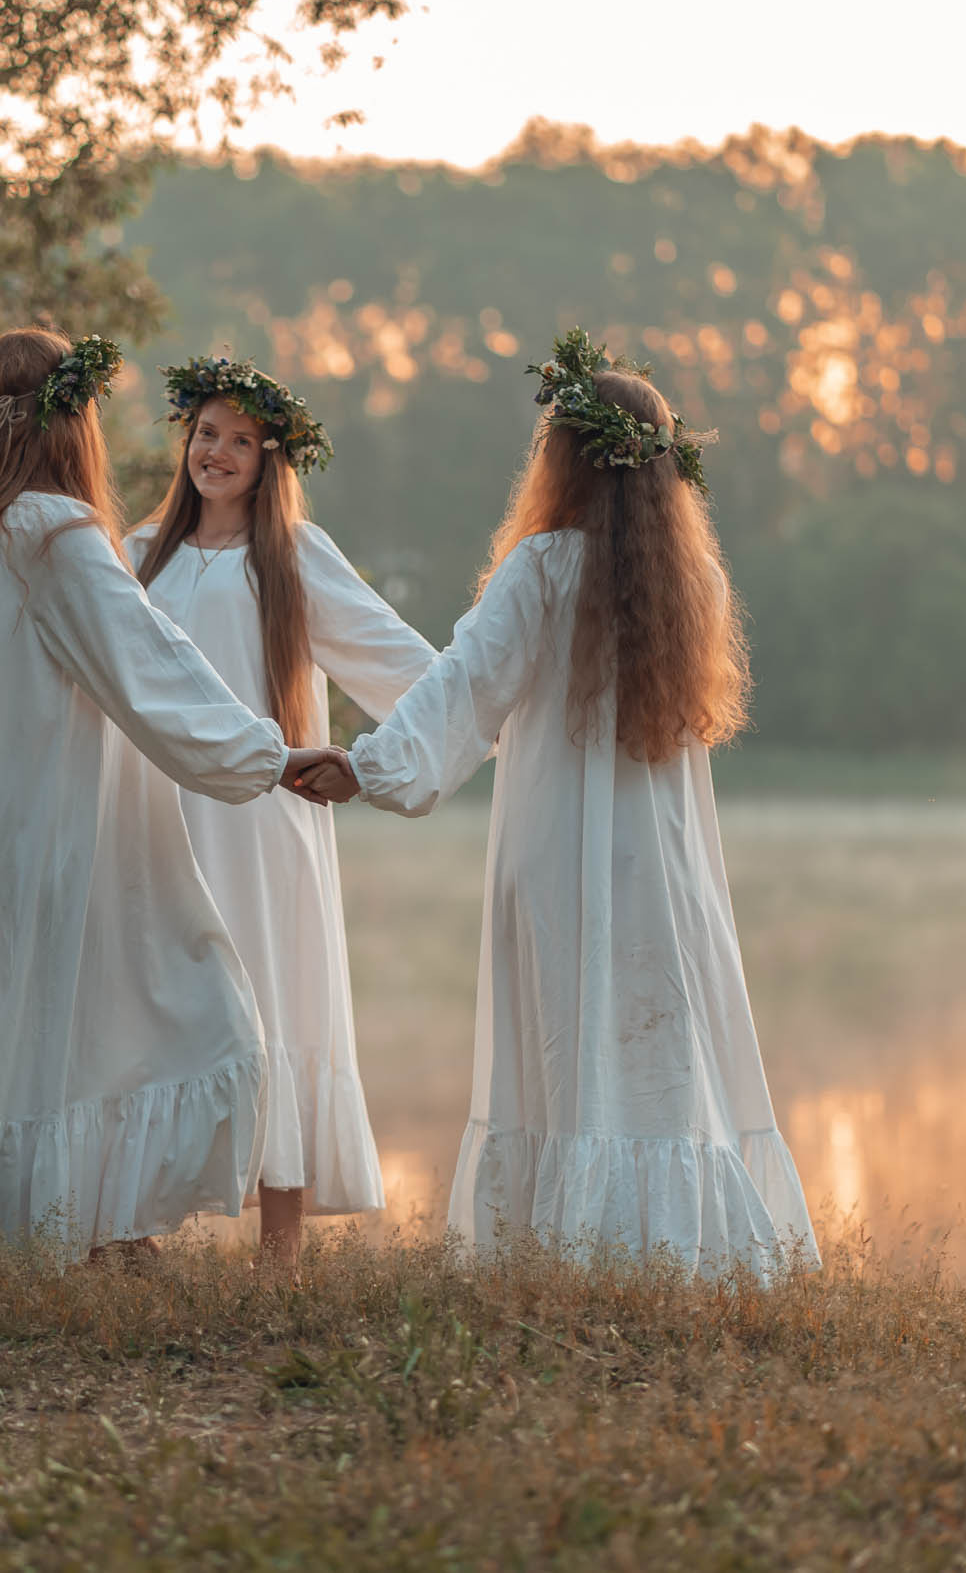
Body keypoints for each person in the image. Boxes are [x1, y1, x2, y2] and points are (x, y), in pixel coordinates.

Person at [298, 329, 817, 1274]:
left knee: (563, 1040)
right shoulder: (688, 581)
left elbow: (465, 686)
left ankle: (567, 1243)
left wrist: (370, 767)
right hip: (661, 861)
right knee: (655, 1036)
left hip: (553, 851)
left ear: (565, 463)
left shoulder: (538, 568)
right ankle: (665, 1246)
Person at [0, 327, 343, 1261]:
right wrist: (269, 755)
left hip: (7, 826)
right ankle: (87, 1226)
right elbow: (149, 663)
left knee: (59, 1023)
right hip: (63, 829)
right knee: (194, 1004)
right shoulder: (57, 531)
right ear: (71, 421)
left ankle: (87, 1225)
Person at [121, 355, 435, 1265]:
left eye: (240, 441)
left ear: (270, 459)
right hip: (161, 816)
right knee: (157, 995)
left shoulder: (292, 556)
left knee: (276, 999)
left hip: (266, 817)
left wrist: (367, 763)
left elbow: (414, 671)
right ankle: (129, 1223)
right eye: (205, 434)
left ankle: (281, 1249)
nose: (215, 453)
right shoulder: (141, 556)